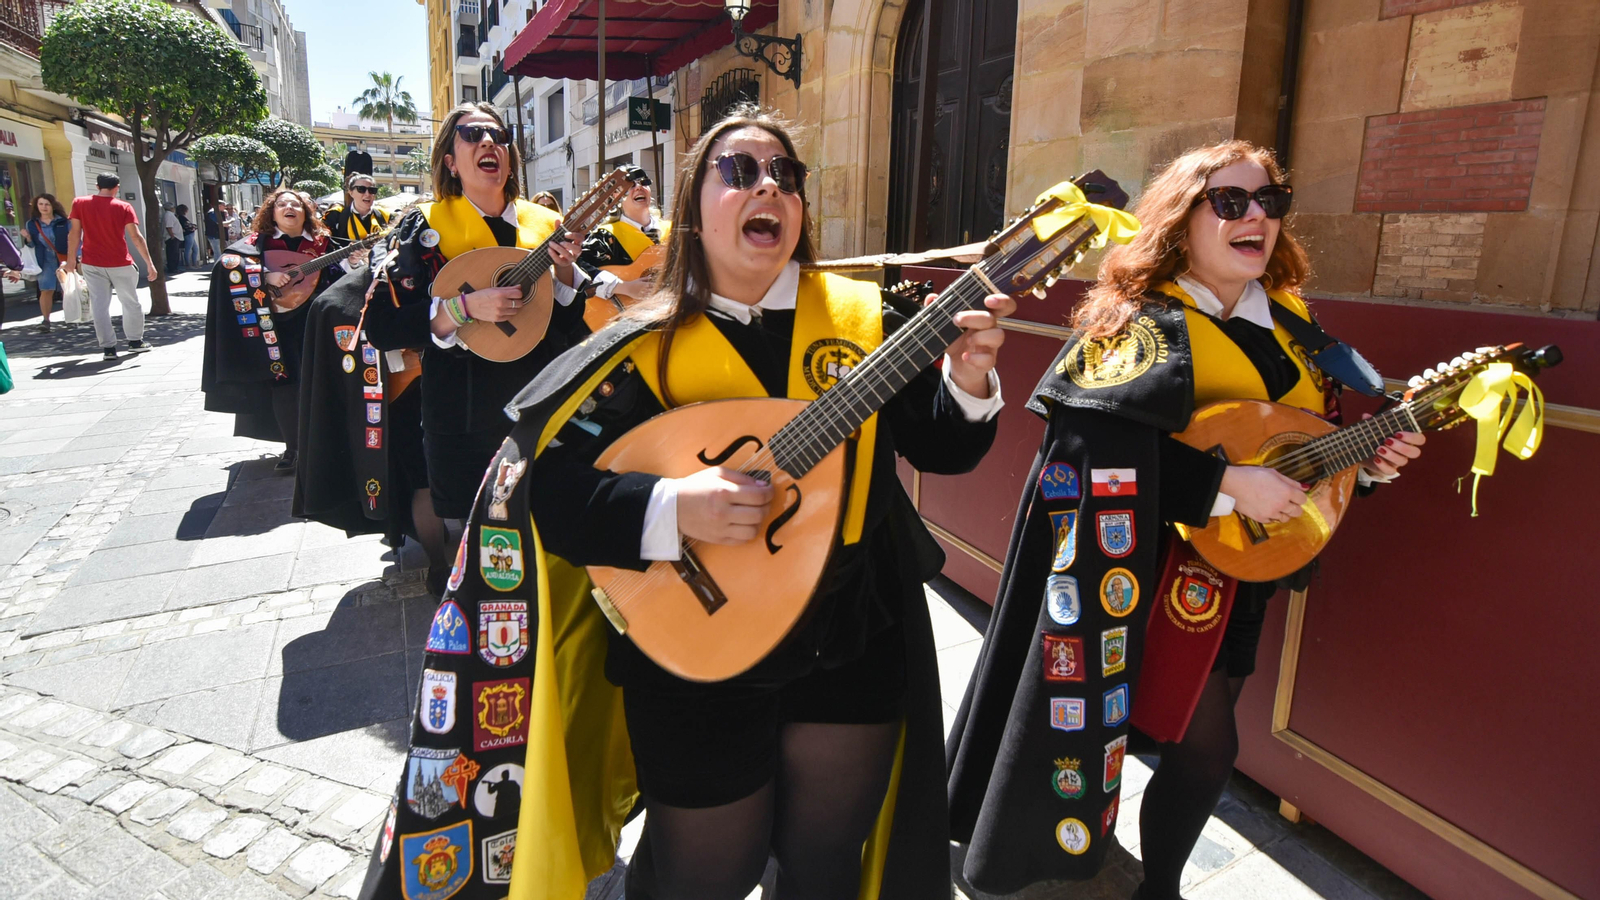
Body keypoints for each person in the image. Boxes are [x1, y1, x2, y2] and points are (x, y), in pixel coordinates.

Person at [358, 107, 1013, 900]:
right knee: (706, 874)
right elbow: (553, 495)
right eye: (738, 171)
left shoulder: (865, 321)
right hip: (692, 650)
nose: (767, 184)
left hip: (850, 631)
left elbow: (943, 448)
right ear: (693, 208)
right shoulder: (639, 342)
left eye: (784, 174)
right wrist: (671, 506)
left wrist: (970, 379)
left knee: (825, 862)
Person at [945, 141, 1426, 898]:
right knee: (1203, 744)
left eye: (1270, 201)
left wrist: (1364, 467)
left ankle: (1158, 886)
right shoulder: (1139, 319)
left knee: (1200, 739)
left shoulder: (1296, 324)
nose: (1256, 217)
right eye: (1230, 202)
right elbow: (1084, 450)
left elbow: (1304, 448)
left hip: (1239, 570)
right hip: (1134, 572)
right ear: (1180, 219)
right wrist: (1225, 482)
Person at [362, 102, 586, 540]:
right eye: (472, 135)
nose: (489, 142)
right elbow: (383, 326)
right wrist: (463, 309)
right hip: (463, 413)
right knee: (477, 538)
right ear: (450, 160)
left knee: (549, 527)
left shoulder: (545, 225)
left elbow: (568, 321)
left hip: (539, 404)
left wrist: (563, 270)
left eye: (499, 136)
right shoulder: (424, 228)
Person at [200, 188, 346, 473]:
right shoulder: (256, 244)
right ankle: (294, 449)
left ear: (307, 213)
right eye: (283, 204)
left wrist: (353, 265)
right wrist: (264, 275)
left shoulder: (323, 245)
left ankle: (323, 446)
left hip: (315, 323)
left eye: (297, 204)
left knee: (319, 383)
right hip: (275, 327)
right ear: (272, 212)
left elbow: (340, 280)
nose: (290, 207)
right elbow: (227, 267)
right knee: (284, 384)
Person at [65, 173, 156, 360]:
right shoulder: (123, 207)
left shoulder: (79, 203)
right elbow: (136, 237)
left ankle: (108, 349)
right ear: (117, 187)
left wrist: (71, 260)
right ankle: (135, 342)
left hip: (92, 262)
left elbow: (74, 233)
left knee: (99, 305)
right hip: (120, 262)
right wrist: (149, 263)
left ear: (97, 186)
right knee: (130, 302)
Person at [577, 164, 669, 319]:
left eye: (642, 182)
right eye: (630, 185)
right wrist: (624, 287)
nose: (638, 188)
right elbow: (578, 268)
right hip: (623, 321)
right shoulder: (605, 237)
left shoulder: (671, 231)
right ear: (615, 196)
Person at [22, 194, 70, 333]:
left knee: (67, 288)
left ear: (53, 205)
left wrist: (76, 257)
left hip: (63, 257)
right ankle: (46, 320)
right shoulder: (32, 224)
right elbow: (32, 245)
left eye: (47, 204)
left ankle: (71, 316)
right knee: (46, 289)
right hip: (44, 258)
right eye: (41, 204)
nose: (44, 207)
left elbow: (73, 239)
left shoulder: (64, 222)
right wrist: (28, 238)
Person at [322, 172, 392, 264]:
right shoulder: (336, 214)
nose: (367, 194)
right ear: (351, 192)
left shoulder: (385, 215)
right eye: (361, 189)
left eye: (372, 190)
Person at [162, 203, 184, 275]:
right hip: (173, 238)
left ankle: (175, 267)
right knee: (172, 254)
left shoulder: (170, 215)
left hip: (175, 237)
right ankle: (173, 268)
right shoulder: (169, 215)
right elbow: (169, 226)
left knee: (175, 253)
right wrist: (172, 236)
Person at [178, 204, 200, 268]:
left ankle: (194, 263)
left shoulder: (182, 217)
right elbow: (187, 226)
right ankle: (188, 264)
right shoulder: (181, 218)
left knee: (195, 249)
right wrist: (194, 226)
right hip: (188, 234)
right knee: (188, 249)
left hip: (190, 234)